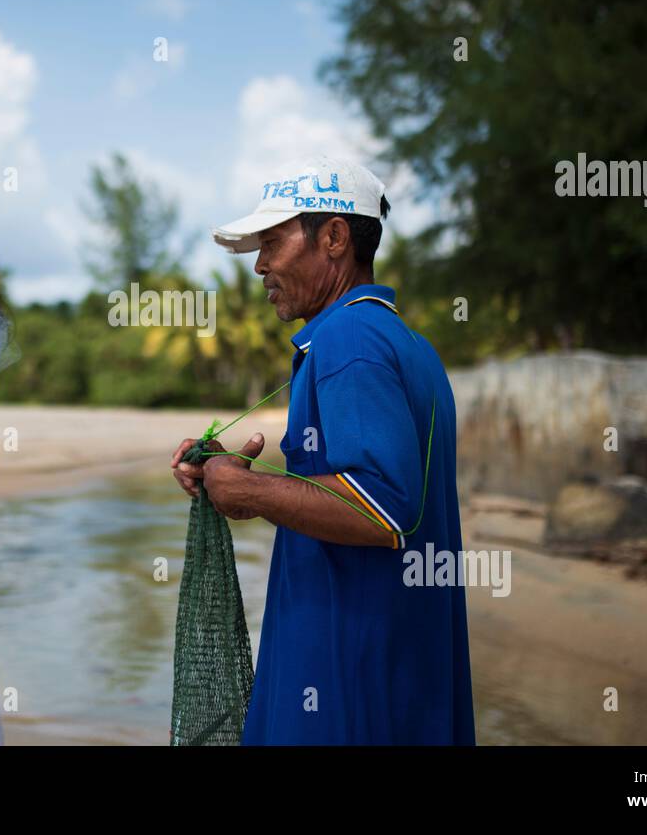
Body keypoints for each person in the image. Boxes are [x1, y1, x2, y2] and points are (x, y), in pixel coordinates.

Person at [170, 155, 475, 745]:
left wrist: (252, 490)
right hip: (405, 671)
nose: (259, 265)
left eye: (272, 243)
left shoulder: (348, 338)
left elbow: (381, 509)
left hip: (349, 685)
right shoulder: (410, 345)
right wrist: (226, 475)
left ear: (334, 237)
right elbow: (361, 484)